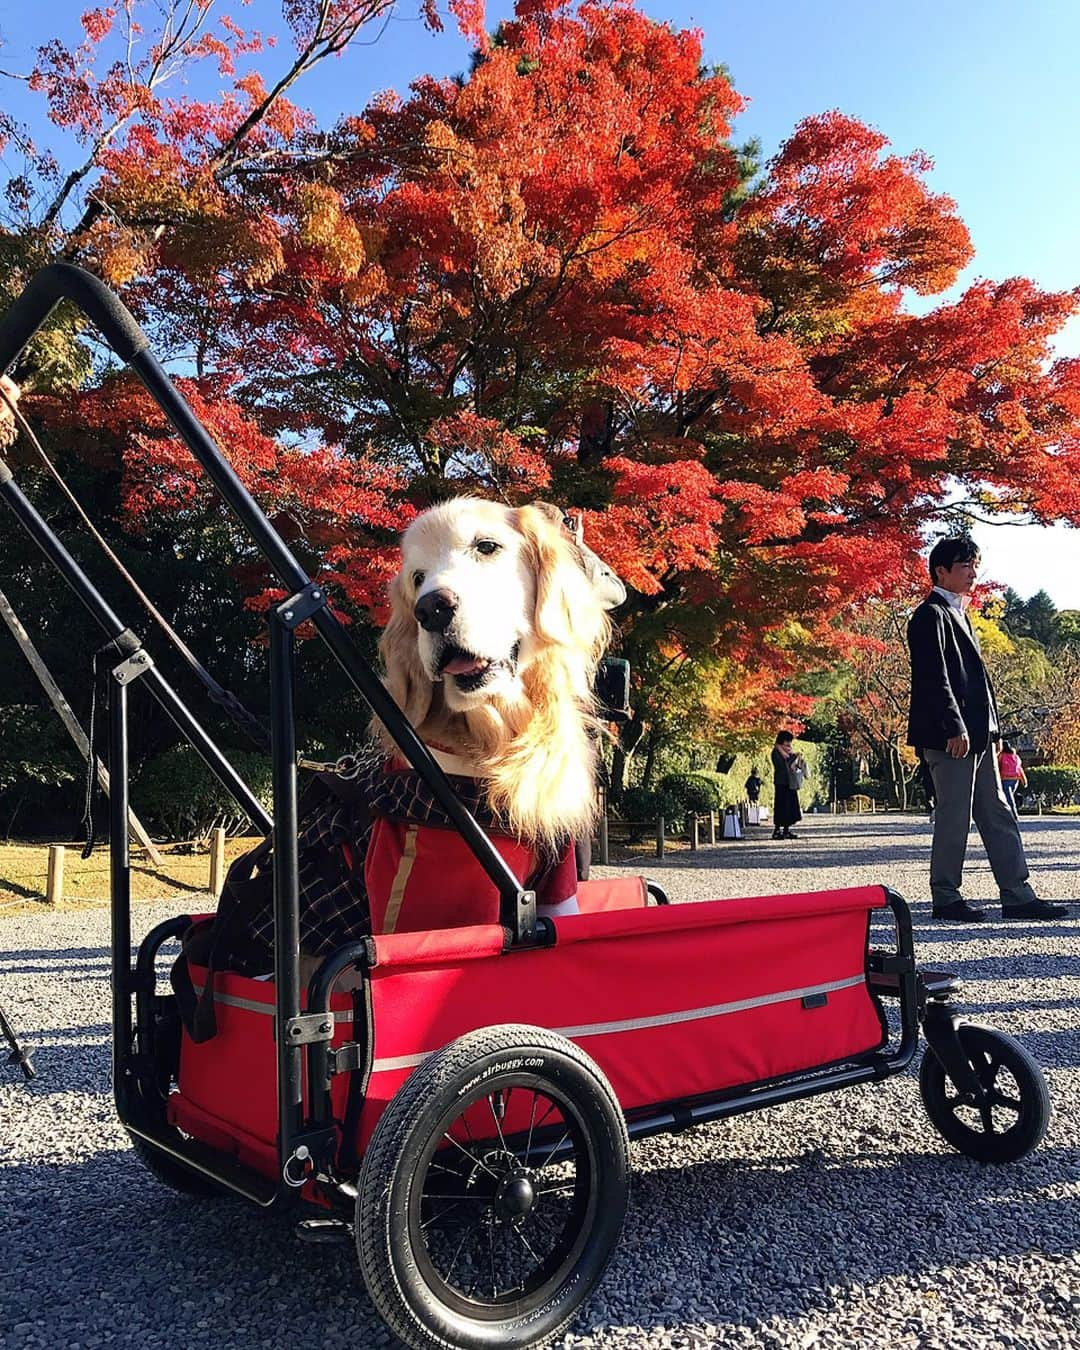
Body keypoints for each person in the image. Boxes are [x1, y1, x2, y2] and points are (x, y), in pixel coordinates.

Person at [906, 535, 1070, 923]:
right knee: (954, 816)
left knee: (997, 812)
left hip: (979, 736)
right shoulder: (929, 615)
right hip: (952, 737)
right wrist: (954, 726)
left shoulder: (960, 613)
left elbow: (977, 683)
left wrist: (994, 732)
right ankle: (945, 897)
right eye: (965, 566)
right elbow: (934, 678)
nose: (973, 573)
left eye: (975, 565)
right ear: (941, 571)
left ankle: (1017, 893)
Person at [770, 732, 804, 840]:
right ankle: (777, 829)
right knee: (781, 806)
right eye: (787, 743)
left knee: (790, 807)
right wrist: (792, 757)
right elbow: (781, 766)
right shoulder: (776, 752)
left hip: (790, 783)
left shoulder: (787, 753)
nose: (789, 746)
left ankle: (786, 829)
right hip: (781, 782)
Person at [997, 741, 1028, 818]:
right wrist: (1024, 780)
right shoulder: (1016, 756)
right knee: (1009, 796)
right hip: (1015, 779)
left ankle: (1014, 815)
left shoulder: (1001, 755)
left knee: (1008, 797)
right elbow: (1020, 769)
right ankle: (1009, 814)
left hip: (1005, 778)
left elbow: (996, 766)